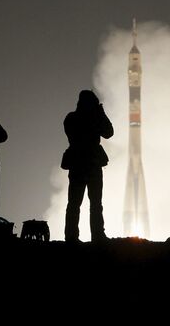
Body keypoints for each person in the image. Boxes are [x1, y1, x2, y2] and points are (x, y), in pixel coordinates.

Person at [62, 90, 113, 243]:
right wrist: (99, 115)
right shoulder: (77, 118)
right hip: (88, 163)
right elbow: (108, 132)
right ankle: (92, 235)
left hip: (84, 163)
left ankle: (78, 236)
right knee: (85, 203)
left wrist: (99, 115)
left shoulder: (72, 118)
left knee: (83, 203)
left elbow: (109, 133)